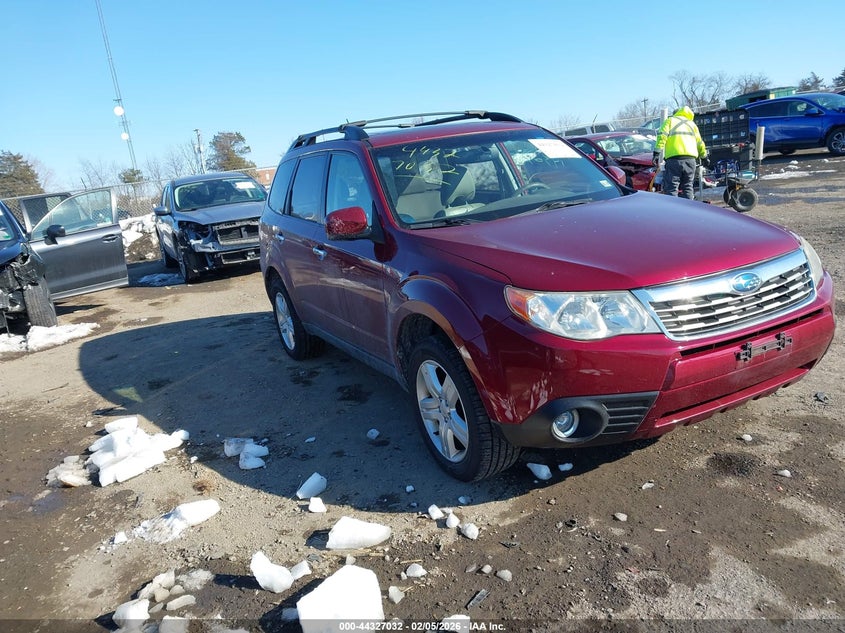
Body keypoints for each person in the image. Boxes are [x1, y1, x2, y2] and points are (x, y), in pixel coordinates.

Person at [653, 106, 709, 199]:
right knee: (688, 186)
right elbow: (700, 143)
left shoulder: (670, 121)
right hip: (690, 161)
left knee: (671, 188)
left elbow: (661, 137)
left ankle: (673, 211)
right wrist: (704, 157)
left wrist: (656, 153)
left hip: (674, 160)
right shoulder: (692, 124)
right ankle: (689, 210)